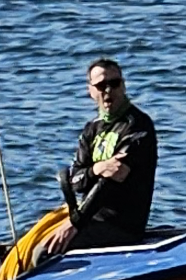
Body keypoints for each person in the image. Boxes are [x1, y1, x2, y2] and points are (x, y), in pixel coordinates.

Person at [60, 58, 158, 248]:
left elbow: (113, 178)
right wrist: (97, 168)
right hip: (90, 218)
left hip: (122, 226)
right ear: (91, 91)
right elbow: (76, 182)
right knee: (32, 244)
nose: (108, 90)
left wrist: (75, 223)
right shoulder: (91, 129)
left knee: (49, 250)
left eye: (114, 83)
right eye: (101, 85)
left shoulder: (138, 126)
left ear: (123, 86)